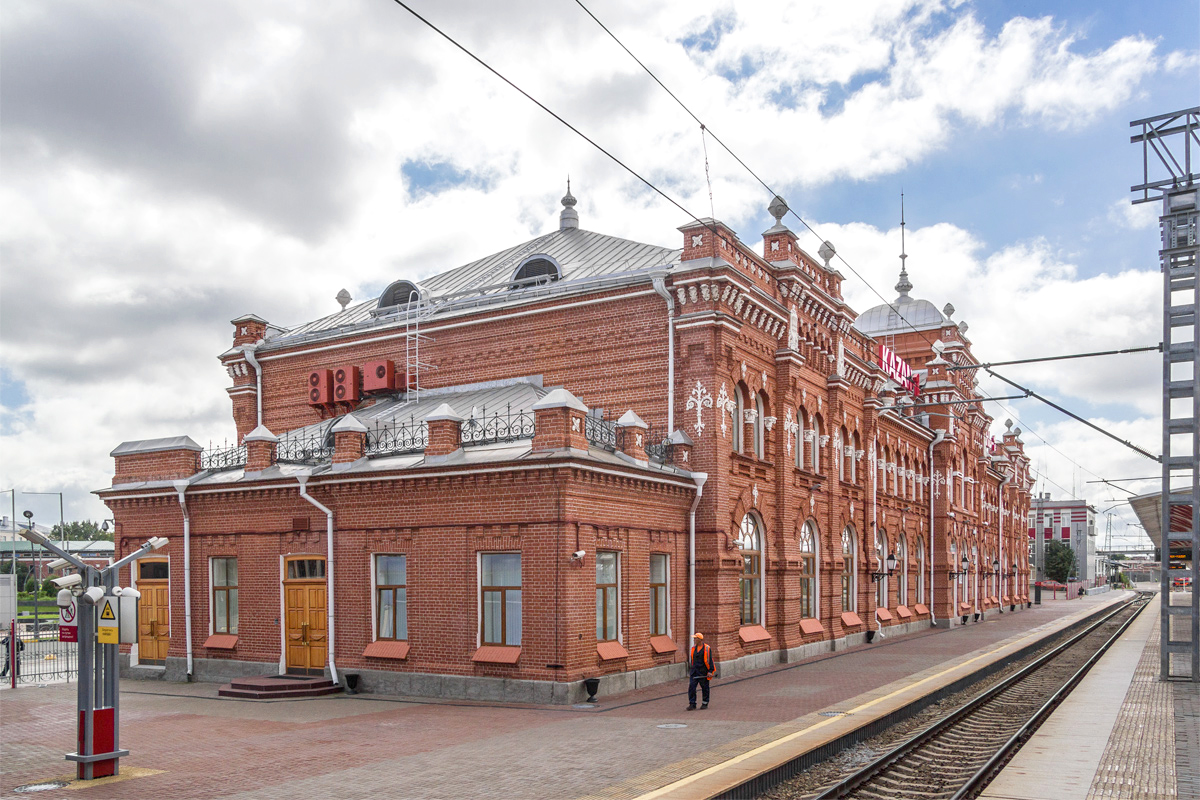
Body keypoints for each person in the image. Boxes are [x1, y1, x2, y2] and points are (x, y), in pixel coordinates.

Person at [686, 632, 714, 710]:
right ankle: (692, 703)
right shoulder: (693, 648)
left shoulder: (707, 648)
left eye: (695, 638)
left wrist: (710, 671)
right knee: (691, 687)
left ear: (700, 639)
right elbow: (692, 660)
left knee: (705, 688)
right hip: (694, 671)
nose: (694, 640)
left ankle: (705, 703)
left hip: (703, 672)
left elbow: (710, 660)